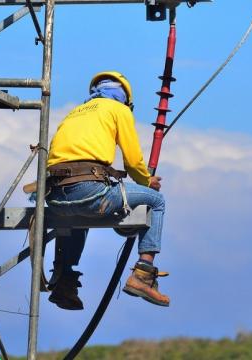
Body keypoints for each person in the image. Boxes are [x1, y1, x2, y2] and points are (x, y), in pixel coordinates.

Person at [44, 71, 169, 310]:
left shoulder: (74, 114)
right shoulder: (118, 110)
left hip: (55, 197)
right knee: (156, 201)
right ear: (125, 98)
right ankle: (143, 273)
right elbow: (133, 162)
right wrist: (146, 181)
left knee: (75, 219)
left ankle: (63, 280)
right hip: (89, 192)